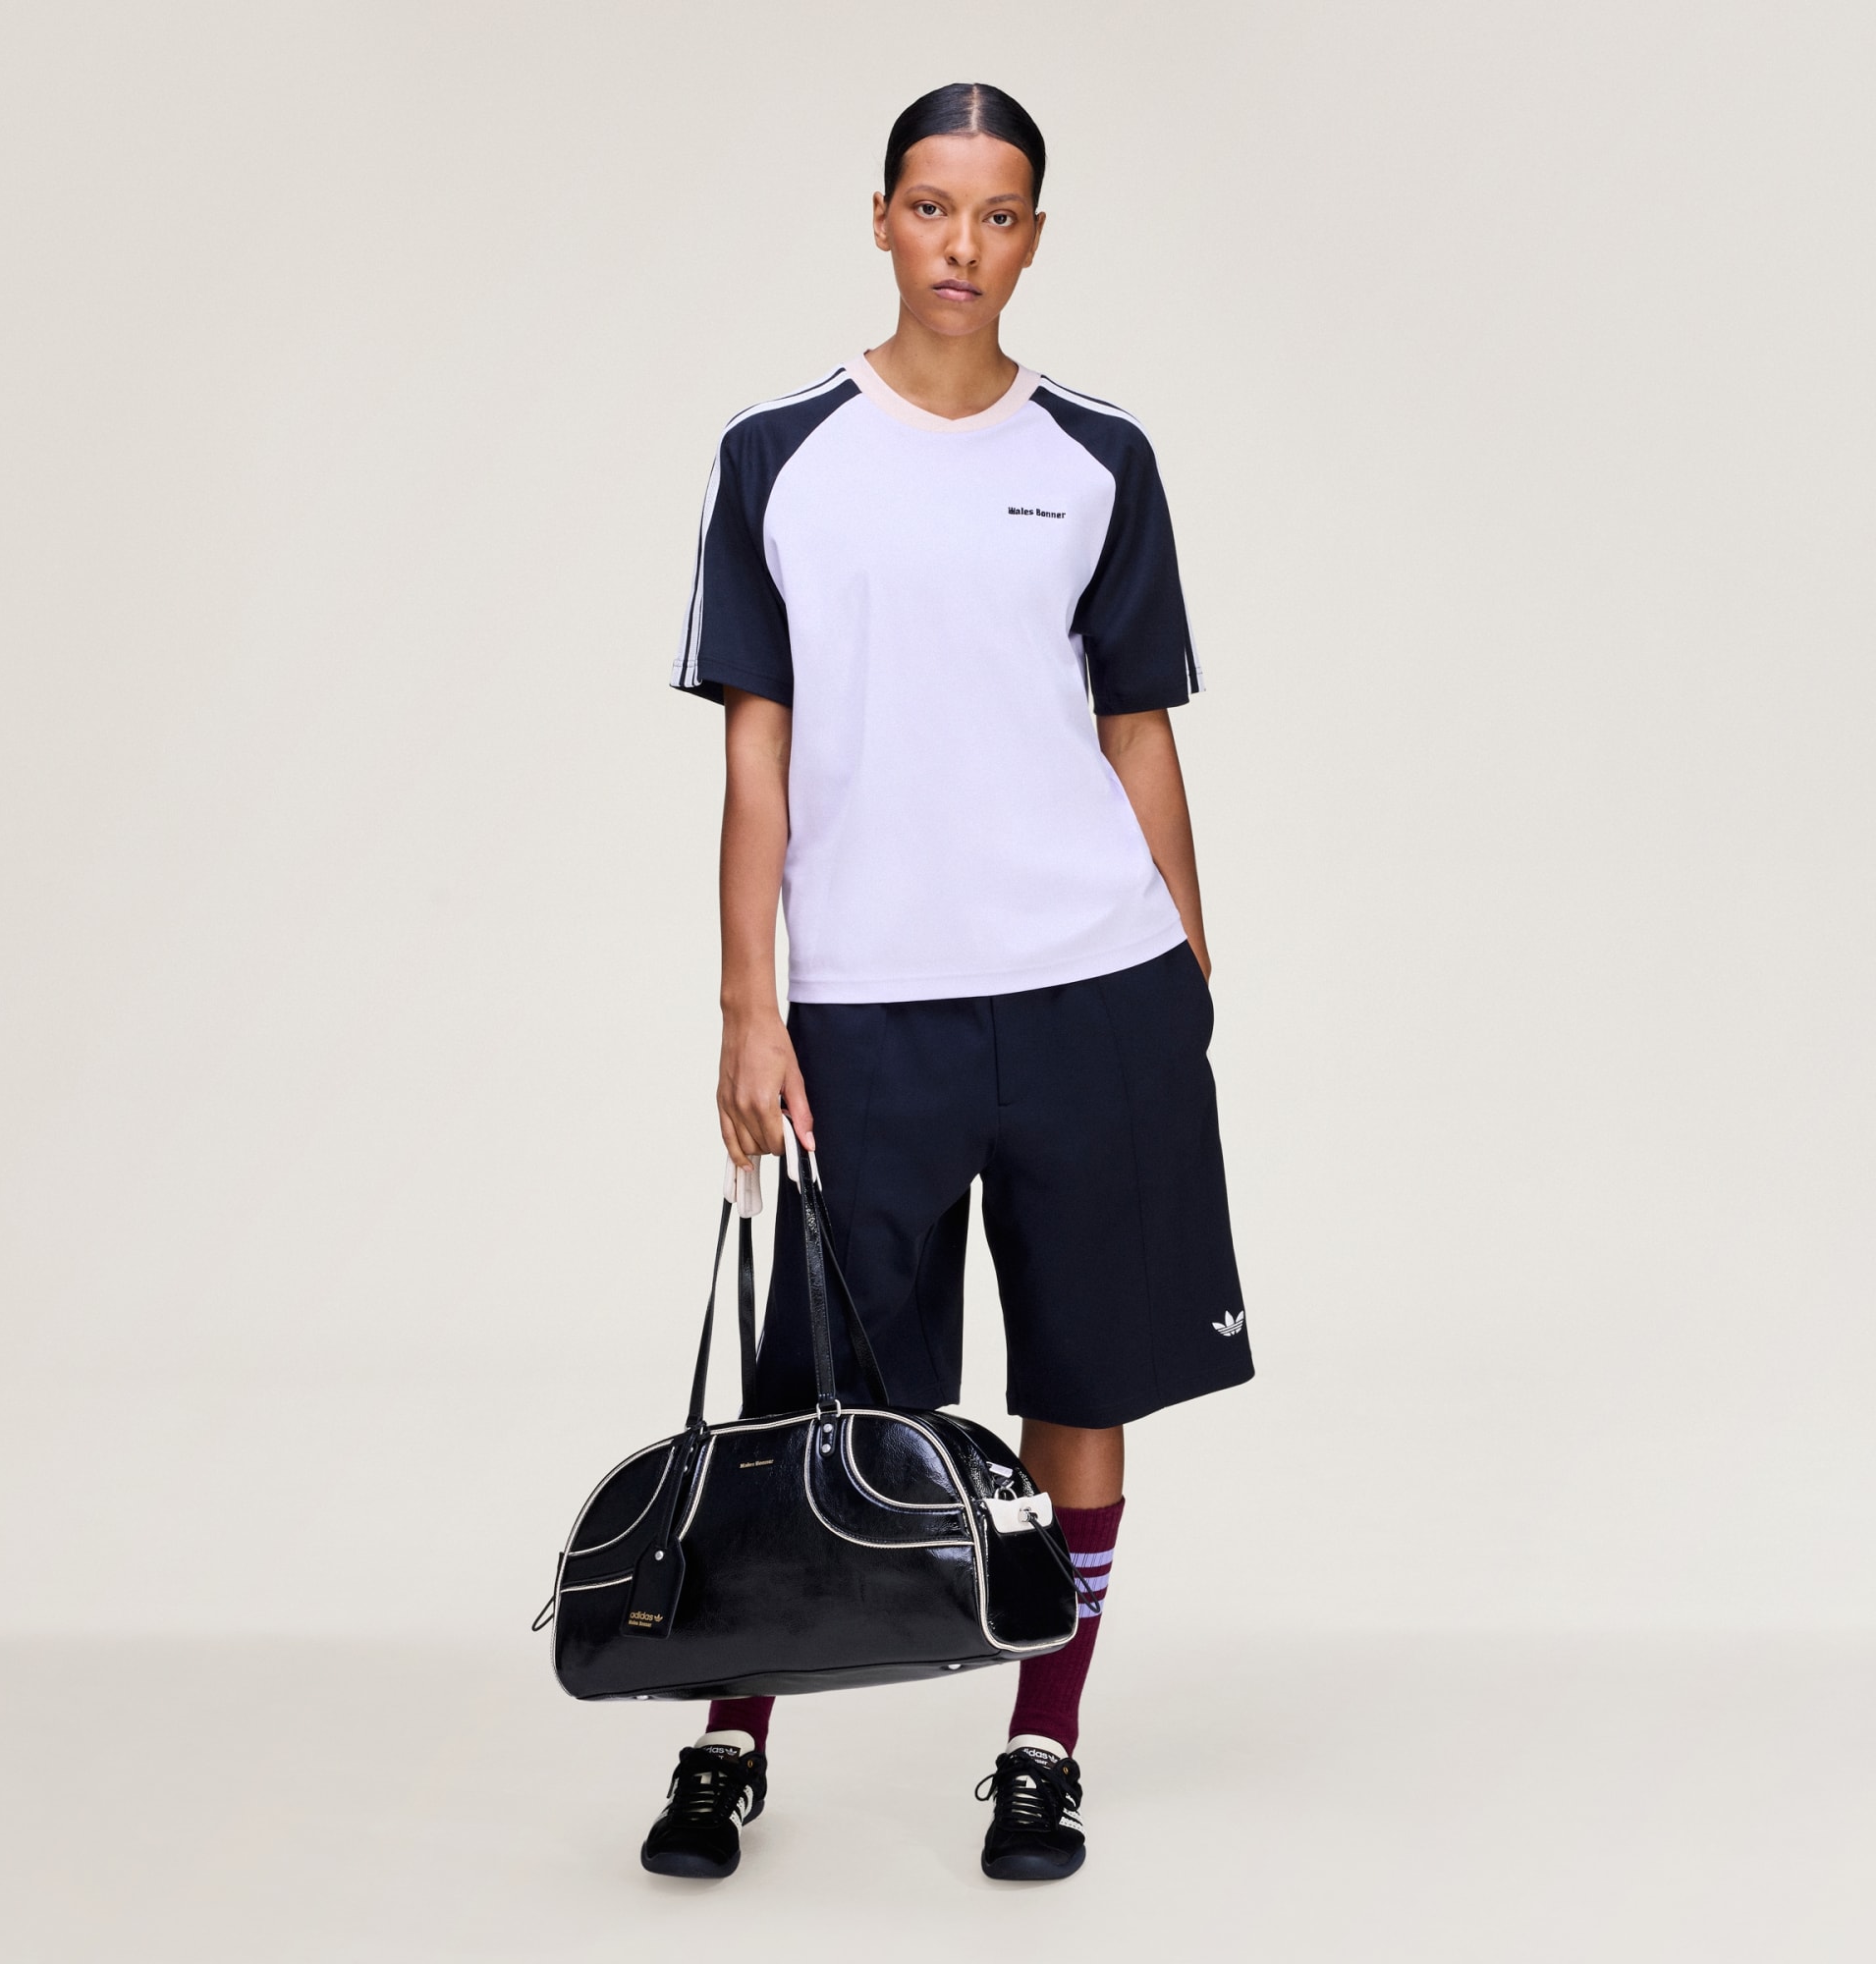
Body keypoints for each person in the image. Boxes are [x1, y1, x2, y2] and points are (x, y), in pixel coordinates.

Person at [640, 82, 1252, 1883]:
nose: (960, 245)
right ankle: (729, 1741)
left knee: (1083, 1377)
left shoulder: (1100, 458)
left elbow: (1136, 726)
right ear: (882, 218)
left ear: (1034, 237)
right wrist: (749, 1006)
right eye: (931, 207)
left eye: (996, 215)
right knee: (814, 1400)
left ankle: (1041, 1749)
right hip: (867, 1009)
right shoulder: (779, 454)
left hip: (1092, 990)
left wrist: (1189, 958)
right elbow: (758, 748)